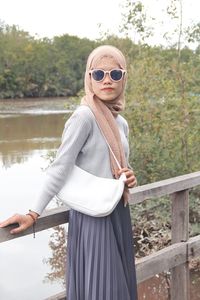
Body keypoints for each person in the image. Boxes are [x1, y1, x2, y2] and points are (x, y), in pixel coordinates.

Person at [0, 45, 138, 300]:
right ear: (89, 78)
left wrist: (128, 176)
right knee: (104, 290)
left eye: (115, 74)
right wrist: (33, 213)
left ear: (124, 78)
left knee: (119, 290)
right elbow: (59, 168)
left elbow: (119, 166)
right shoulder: (84, 117)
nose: (107, 80)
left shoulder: (121, 122)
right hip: (93, 217)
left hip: (118, 211)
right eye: (98, 74)